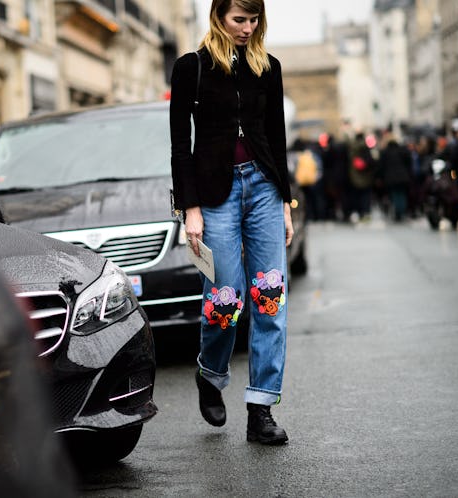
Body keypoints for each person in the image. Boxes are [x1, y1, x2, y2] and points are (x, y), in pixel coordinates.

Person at [170, 0, 292, 445]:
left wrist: (285, 202)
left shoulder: (268, 67)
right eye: (239, 19)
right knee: (226, 299)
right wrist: (191, 208)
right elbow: (180, 145)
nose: (247, 28)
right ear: (219, 16)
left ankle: (260, 409)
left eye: (254, 19)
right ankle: (211, 373)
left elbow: (276, 135)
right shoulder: (192, 68)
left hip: (264, 188)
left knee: (270, 296)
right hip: (214, 194)